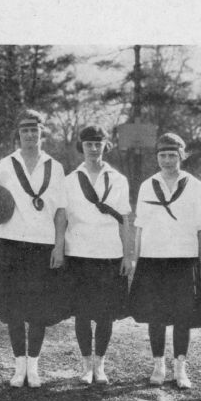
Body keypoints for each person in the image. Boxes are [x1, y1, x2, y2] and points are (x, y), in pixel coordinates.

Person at [0, 109, 68, 388]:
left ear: (42, 133)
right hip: (11, 245)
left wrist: (59, 247)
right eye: (25, 130)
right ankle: (18, 367)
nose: (29, 135)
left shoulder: (56, 167)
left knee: (39, 310)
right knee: (13, 310)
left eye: (34, 130)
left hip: (43, 246)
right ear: (18, 134)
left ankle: (34, 367)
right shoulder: (5, 165)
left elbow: (61, 212)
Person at [129, 133, 201, 389]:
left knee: (183, 316)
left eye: (172, 155)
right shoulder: (146, 185)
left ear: (182, 156)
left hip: (184, 260)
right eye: (162, 155)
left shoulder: (194, 185)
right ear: (157, 158)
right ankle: (158, 364)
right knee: (156, 316)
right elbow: (139, 227)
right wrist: (135, 262)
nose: (167, 160)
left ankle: (180, 368)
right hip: (152, 261)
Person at [64, 126, 134, 384]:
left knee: (106, 313)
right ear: (81, 147)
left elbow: (124, 219)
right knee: (82, 313)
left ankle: (100, 364)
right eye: (88, 144)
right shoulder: (70, 180)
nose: (93, 149)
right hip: (79, 254)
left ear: (106, 146)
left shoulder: (118, 179)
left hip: (109, 254)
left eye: (98, 144)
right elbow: (64, 218)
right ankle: (85, 365)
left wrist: (128, 255)